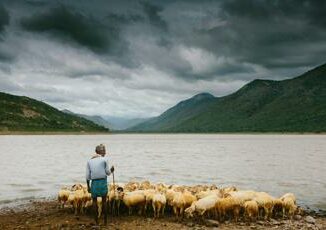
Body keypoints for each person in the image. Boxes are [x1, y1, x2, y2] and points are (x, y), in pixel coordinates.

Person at [86, 144, 114, 225]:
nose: (105, 152)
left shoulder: (89, 161)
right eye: (104, 150)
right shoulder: (105, 159)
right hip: (102, 182)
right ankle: (105, 222)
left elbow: (87, 176)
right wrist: (112, 170)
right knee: (104, 201)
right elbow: (108, 173)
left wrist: (88, 186)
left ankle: (96, 222)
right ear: (99, 151)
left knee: (94, 202)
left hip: (94, 183)